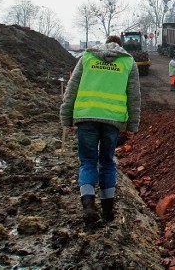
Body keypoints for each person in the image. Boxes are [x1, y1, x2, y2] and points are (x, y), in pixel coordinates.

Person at [60, 35, 141, 224]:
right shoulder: (128, 62)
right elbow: (134, 96)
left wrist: (66, 118)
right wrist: (132, 126)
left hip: (86, 118)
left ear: (105, 43)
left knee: (88, 162)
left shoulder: (87, 57)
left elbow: (71, 89)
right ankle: (107, 210)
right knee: (107, 162)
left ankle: (88, 204)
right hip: (112, 121)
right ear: (121, 47)